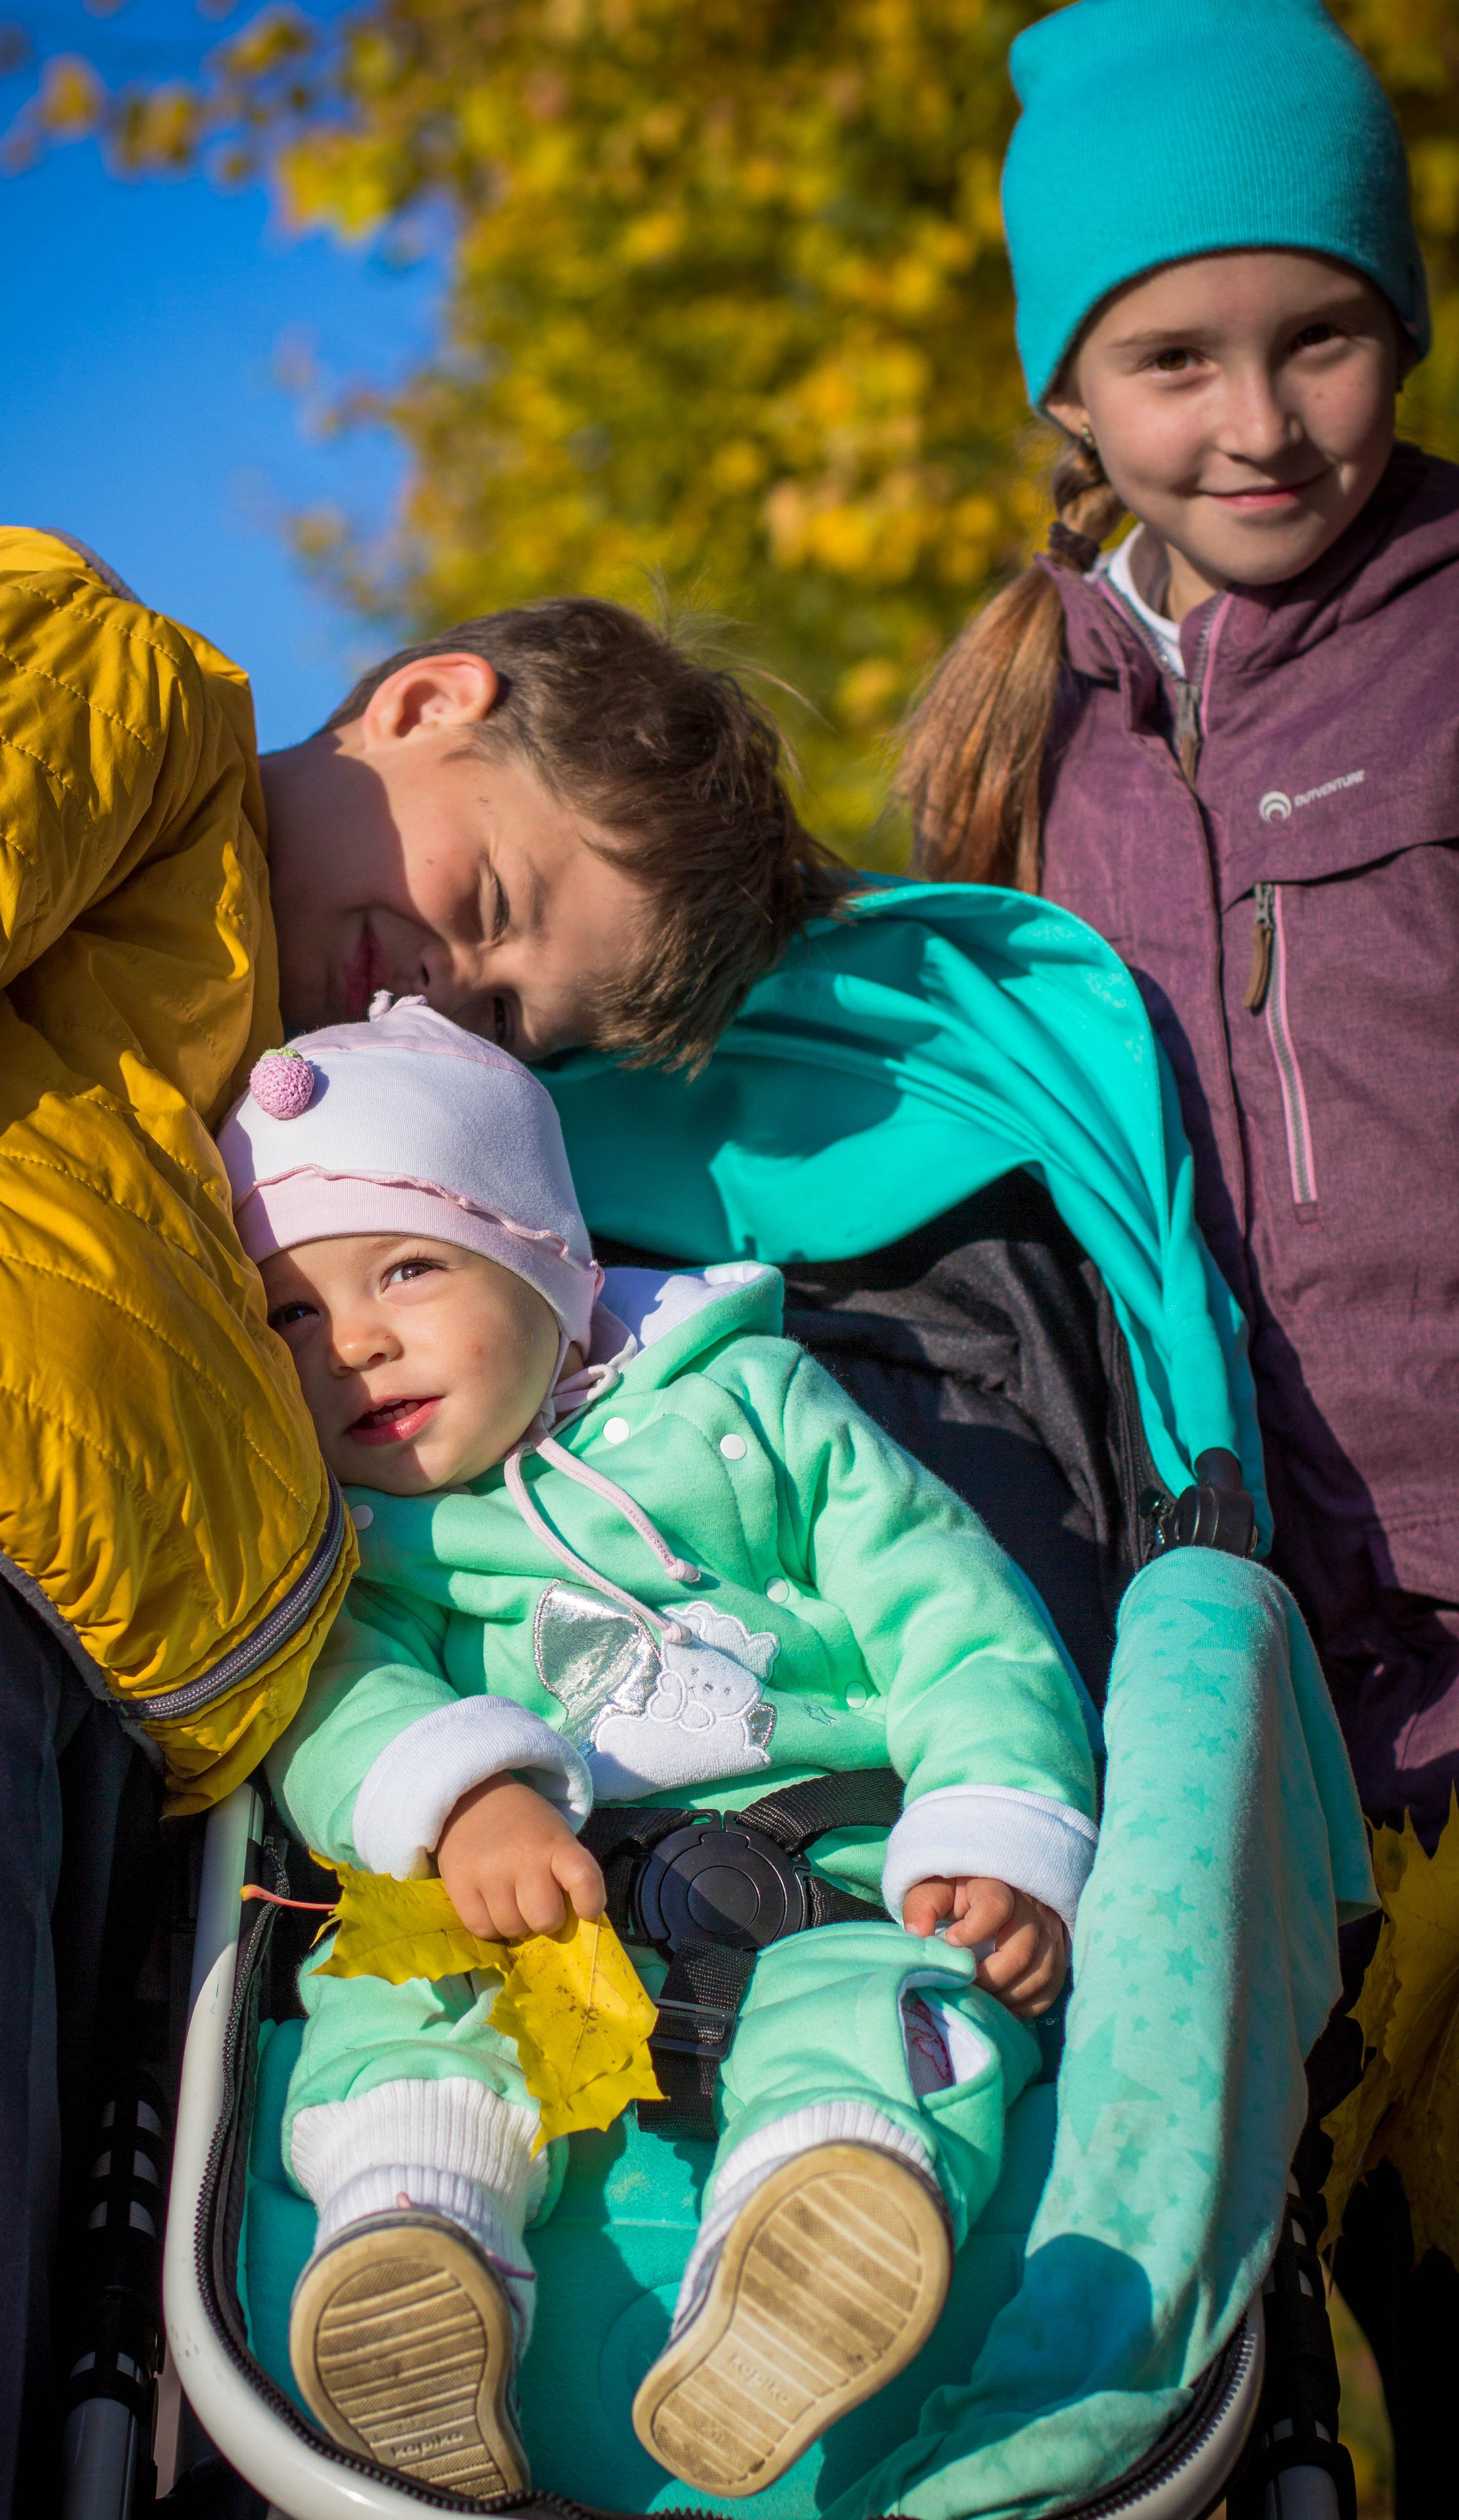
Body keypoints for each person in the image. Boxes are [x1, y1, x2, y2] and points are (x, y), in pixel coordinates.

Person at [0, 528, 839, 2517]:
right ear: (431, 699)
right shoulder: (107, 681)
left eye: (515, 1019)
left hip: (80, 1717)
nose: (458, 990)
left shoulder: (304, 1147)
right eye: (493, 902)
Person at [897, 1, 1458, 2498]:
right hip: (1252, 1696)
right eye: (1171, 358)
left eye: (1317, 334)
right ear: (1070, 394)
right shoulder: (1025, 738)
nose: (1256, 423)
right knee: (1328, 2326)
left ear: (1406, 328)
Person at [219, 996, 1100, 2502]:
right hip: (527, 1906)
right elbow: (333, 1694)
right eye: (288, 1318)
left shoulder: (750, 1403)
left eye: (408, 1269)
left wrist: (990, 1829)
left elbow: (948, 1610)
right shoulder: (356, 1543)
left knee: (905, 2002)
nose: (349, 1343)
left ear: (550, 1267)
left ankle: (814, 2231)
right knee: (401, 1991)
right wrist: (460, 1797)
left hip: (833, 1856)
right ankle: (416, 2240)